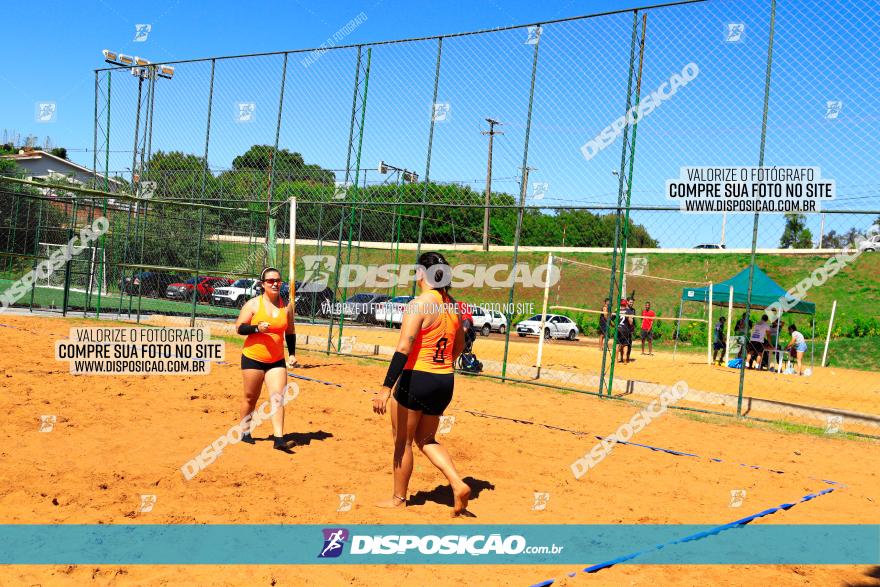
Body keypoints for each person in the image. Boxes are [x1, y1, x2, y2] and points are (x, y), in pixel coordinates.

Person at [372, 252, 469, 516]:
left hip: (417, 378)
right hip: (444, 380)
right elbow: (459, 346)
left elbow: (404, 346)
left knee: (402, 442)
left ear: (420, 273)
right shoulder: (452, 305)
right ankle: (457, 483)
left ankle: (398, 499)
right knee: (426, 439)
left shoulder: (420, 303)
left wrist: (385, 387)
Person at [235, 267, 297, 452]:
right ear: (263, 284)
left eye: (277, 280)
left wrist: (292, 354)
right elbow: (239, 327)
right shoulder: (253, 304)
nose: (275, 283)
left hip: (276, 360)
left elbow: (291, 332)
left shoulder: (287, 306)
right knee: (250, 397)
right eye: (270, 281)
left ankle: (279, 439)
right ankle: (244, 431)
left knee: (278, 397)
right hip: (253, 357)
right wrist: (256, 329)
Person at [617, 298, 635, 364]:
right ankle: (624, 359)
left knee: (620, 344)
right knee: (625, 345)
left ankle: (619, 359)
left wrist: (613, 325)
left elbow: (611, 318)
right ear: (626, 303)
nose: (631, 303)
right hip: (625, 329)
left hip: (619, 329)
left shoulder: (617, 310)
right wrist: (631, 325)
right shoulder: (628, 311)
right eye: (629, 302)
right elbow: (630, 321)